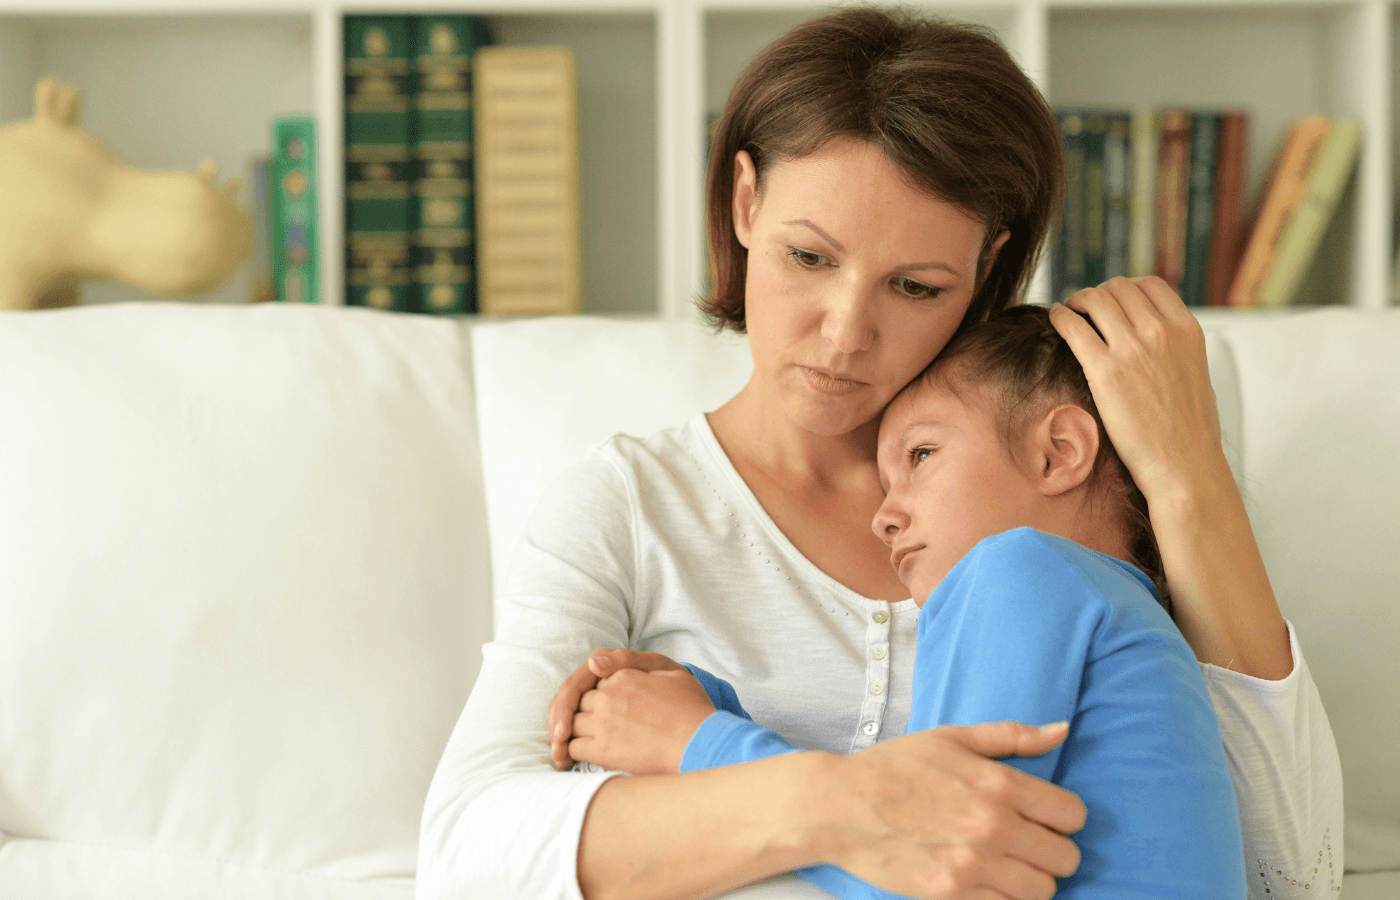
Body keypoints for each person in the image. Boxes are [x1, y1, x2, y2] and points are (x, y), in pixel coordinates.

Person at [417, 9, 1343, 900]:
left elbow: (1293, 876)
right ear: (745, 203)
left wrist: (1187, 476)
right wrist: (835, 806)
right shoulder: (630, 505)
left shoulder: (1067, 522)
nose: (845, 333)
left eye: (913, 284)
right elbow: (466, 854)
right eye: (810, 258)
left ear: (986, 268)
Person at [559, 304, 1248, 899]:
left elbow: (929, 862)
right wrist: (711, 703)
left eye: (920, 456)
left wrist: (695, 741)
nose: (883, 516)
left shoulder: (1025, 569)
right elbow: (898, 819)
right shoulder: (1125, 621)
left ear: (1058, 452)